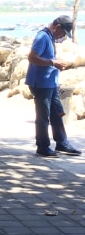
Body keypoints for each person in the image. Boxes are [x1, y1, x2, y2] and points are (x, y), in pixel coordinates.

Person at [25, 15, 81, 157]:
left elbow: (46, 58)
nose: (63, 37)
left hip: (51, 83)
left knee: (58, 113)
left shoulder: (50, 37)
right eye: (63, 33)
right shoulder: (42, 37)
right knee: (43, 116)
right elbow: (32, 57)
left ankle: (62, 142)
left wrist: (55, 65)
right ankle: (42, 146)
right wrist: (52, 63)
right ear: (58, 27)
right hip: (41, 84)